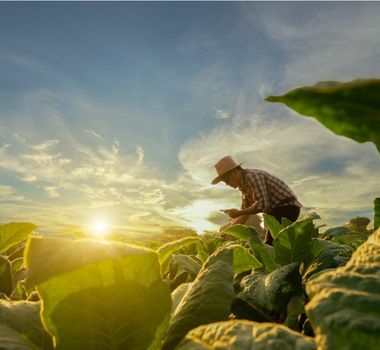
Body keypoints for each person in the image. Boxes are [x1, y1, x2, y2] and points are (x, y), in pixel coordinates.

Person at [211, 155, 302, 245]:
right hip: (274, 212)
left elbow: (262, 205)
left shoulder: (252, 176)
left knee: (270, 245)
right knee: (276, 244)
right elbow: (245, 213)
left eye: (227, 181)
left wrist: (238, 212)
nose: (227, 184)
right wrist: (228, 232)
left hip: (287, 208)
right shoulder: (243, 186)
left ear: (235, 172)